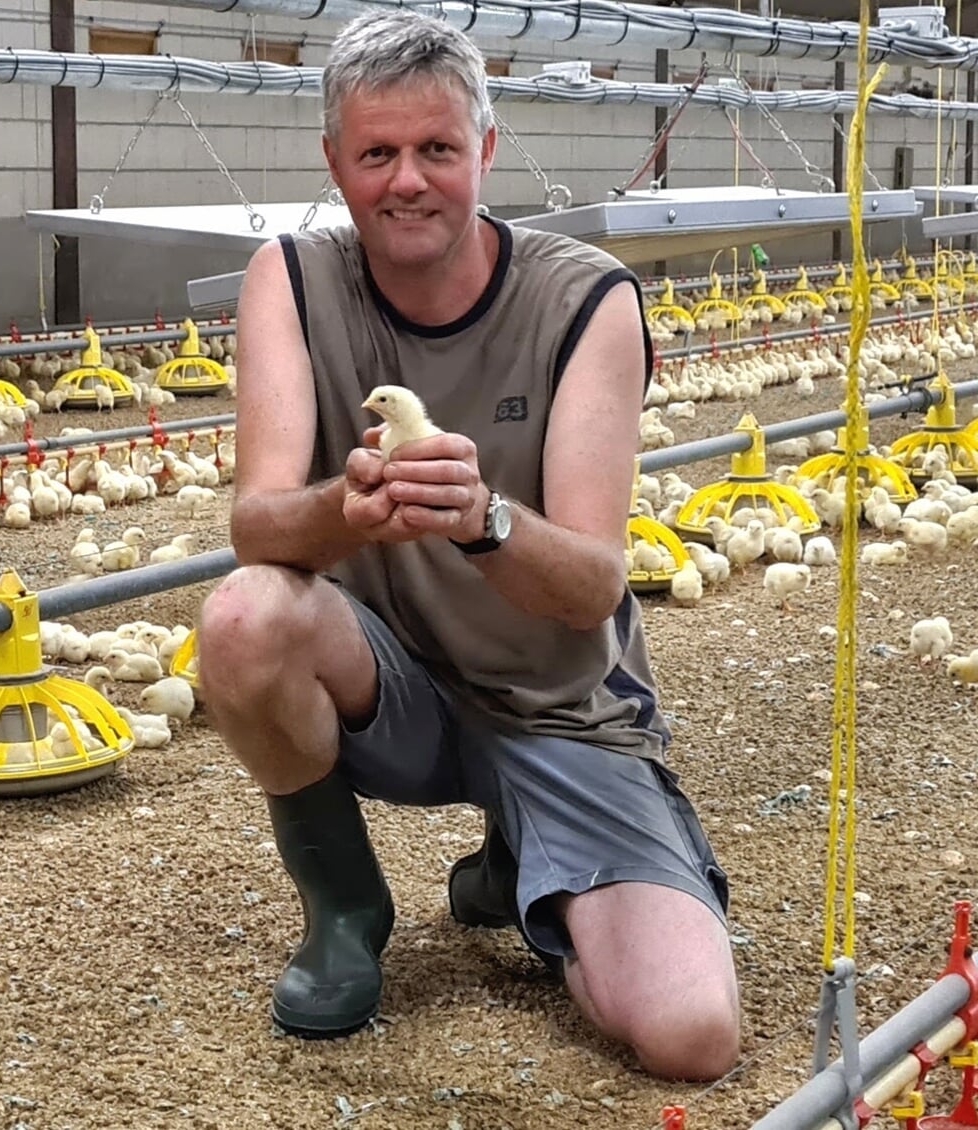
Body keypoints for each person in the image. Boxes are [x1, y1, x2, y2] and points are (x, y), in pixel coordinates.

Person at [196, 11, 740, 1081]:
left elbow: (590, 586)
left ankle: (529, 869)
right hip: (391, 696)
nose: (407, 179)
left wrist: (483, 517)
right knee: (245, 614)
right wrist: (338, 511)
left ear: (484, 150)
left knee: (689, 1035)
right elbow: (255, 526)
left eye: (437, 149)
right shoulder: (293, 279)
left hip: (557, 711)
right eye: (377, 153)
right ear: (336, 164)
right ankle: (344, 905)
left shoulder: (583, 300)